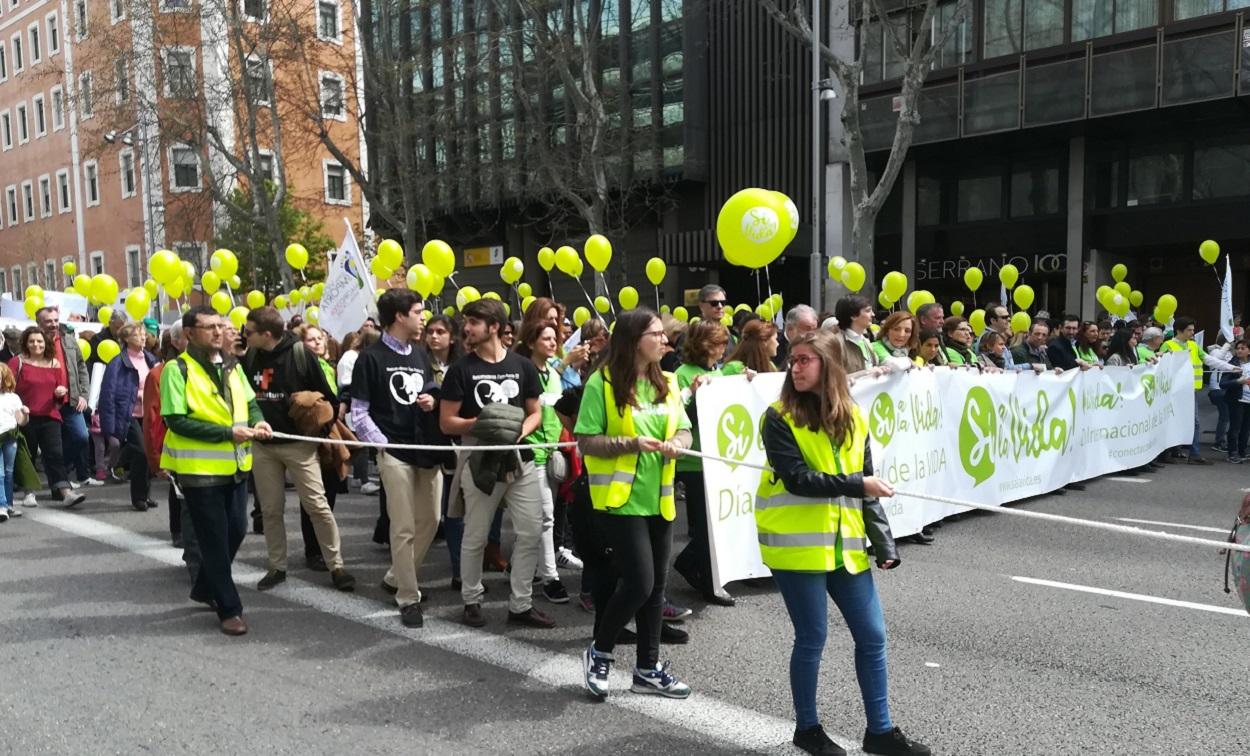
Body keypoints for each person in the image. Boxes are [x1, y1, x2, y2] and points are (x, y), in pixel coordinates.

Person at [757, 330, 927, 756]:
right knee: (812, 637)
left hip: (845, 544)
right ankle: (807, 728)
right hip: (797, 547)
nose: (795, 367)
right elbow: (799, 479)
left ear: (829, 366)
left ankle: (880, 733)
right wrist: (858, 483)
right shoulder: (777, 417)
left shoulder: (853, 415)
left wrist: (883, 542)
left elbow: (865, 486)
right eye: (792, 360)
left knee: (873, 636)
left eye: (804, 360)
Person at [577, 309, 693, 701]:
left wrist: (678, 443)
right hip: (618, 500)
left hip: (659, 499)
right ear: (633, 340)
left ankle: (648, 667)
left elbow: (685, 429)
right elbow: (586, 440)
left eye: (664, 335)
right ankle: (600, 651)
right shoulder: (602, 383)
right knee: (640, 583)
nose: (665, 341)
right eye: (657, 334)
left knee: (656, 588)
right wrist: (630, 444)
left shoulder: (670, 382)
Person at [441, 298, 554, 629]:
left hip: (520, 458)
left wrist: (518, 430)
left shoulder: (522, 365)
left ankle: (520, 604)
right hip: (479, 460)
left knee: (531, 530)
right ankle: (471, 600)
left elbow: (536, 412)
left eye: (473, 322)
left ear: (494, 327)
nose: (467, 328)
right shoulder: (461, 369)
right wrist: (482, 424)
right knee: (475, 535)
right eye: (466, 321)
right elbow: (447, 422)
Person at [160, 306, 273, 636]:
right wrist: (227, 433)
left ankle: (205, 586)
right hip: (200, 470)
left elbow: (249, 402)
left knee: (236, 530)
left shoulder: (231, 365)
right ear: (189, 334)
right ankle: (229, 608)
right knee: (212, 539)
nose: (217, 332)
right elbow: (175, 419)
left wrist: (258, 420)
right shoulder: (176, 369)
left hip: (237, 465)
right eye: (208, 327)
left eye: (219, 326)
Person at [242, 307, 356, 593]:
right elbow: (245, 395)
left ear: (266, 334)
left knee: (317, 505)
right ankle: (276, 566)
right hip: (263, 445)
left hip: (298, 444)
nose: (245, 335)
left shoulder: (300, 354)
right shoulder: (251, 356)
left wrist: (315, 429)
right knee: (270, 510)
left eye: (249, 331)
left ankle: (336, 565)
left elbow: (328, 400)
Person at [351, 289, 444, 628]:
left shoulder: (420, 356)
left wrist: (431, 402)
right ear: (400, 316)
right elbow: (359, 415)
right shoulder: (370, 359)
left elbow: (433, 390)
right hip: (394, 452)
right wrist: (384, 446)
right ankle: (408, 595)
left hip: (426, 450)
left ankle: (397, 576)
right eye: (418, 311)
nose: (423, 317)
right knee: (402, 526)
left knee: (431, 520)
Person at [673, 319, 745, 606]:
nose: (723, 349)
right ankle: (702, 575)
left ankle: (699, 569)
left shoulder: (718, 371)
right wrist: (693, 391)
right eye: (717, 344)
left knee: (717, 523)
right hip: (696, 461)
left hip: (719, 458)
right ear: (702, 345)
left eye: (723, 343)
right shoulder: (683, 374)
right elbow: (678, 414)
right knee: (706, 526)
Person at [515, 320, 573, 603]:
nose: (553, 343)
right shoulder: (524, 372)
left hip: (552, 452)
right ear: (531, 342)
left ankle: (528, 568)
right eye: (546, 338)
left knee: (542, 518)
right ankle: (551, 578)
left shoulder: (552, 371)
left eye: (555, 338)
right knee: (545, 517)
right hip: (532, 452)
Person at [11, 327, 84, 507]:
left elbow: (60, 395)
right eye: (32, 341)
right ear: (25, 344)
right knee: (28, 456)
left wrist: (60, 392)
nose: (36, 344)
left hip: (50, 416)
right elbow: (6, 387)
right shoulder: (17, 362)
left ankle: (65, 492)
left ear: (46, 343)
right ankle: (29, 493)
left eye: (40, 341)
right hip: (24, 417)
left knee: (55, 455)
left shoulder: (54, 364)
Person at [98, 322, 159, 511]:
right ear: (125, 339)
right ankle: (138, 496)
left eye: (143, 334)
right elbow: (107, 394)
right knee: (141, 451)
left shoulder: (150, 359)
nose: (142, 337)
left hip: (149, 414)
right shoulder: (118, 362)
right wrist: (109, 426)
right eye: (136, 335)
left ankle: (146, 493)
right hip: (129, 414)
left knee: (149, 453)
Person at [1160, 316, 1237, 465]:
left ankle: (1193, 454)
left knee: (1194, 422)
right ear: (1179, 330)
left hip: (1191, 391)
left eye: (1193, 330)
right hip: (1173, 392)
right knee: (1171, 421)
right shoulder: (1168, 345)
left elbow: (1209, 359)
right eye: (1189, 330)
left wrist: (1231, 368)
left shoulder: (1193, 346)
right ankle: (1168, 452)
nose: (1192, 333)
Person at [36, 307, 93, 488]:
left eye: (55, 320)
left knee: (81, 437)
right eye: (48, 321)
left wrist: (84, 394)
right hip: (48, 405)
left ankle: (58, 469)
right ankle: (59, 479)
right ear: (39, 323)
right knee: (52, 446)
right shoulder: (36, 343)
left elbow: (81, 367)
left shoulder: (68, 340)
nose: (53, 324)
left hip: (71, 401)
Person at [0, 364, 28, 522]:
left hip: (10, 437)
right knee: (0, 473)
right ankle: (2, 505)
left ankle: (8, 505)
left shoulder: (13, 398)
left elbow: (21, 422)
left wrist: (26, 414)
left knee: (9, 473)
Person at [1219, 339, 1250, 464]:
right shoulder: (1232, 364)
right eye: (1238, 348)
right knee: (1235, 427)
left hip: (1249, 401)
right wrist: (1238, 382)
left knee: (1246, 428)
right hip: (1237, 399)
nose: (1239, 351)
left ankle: (1242, 451)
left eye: (1243, 348)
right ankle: (1232, 453)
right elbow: (1223, 384)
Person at [833, 296, 880, 374]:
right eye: (868, 311)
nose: (873, 314)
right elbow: (834, 378)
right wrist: (866, 373)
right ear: (853, 316)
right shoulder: (836, 343)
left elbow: (872, 366)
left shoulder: (865, 340)